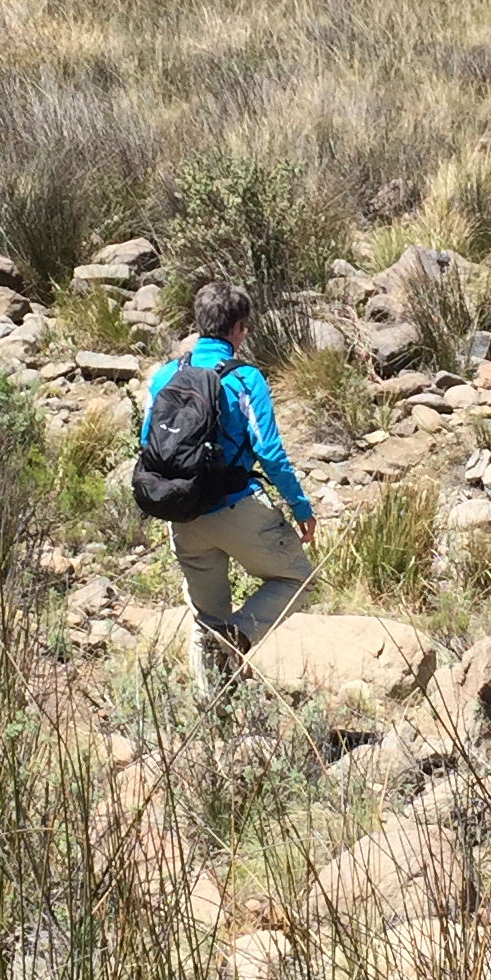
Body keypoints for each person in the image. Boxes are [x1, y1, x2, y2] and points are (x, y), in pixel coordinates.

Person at [138, 281, 314, 685]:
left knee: (206, 615)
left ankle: (210, 711)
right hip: (238, 506)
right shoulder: (245, 379)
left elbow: (148, 441)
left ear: (199, 324)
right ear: (237, 328)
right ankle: (238, 636)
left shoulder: (166, 374)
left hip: (183, 511)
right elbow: (269, 453)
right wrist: (301, 508)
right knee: (296, 577)